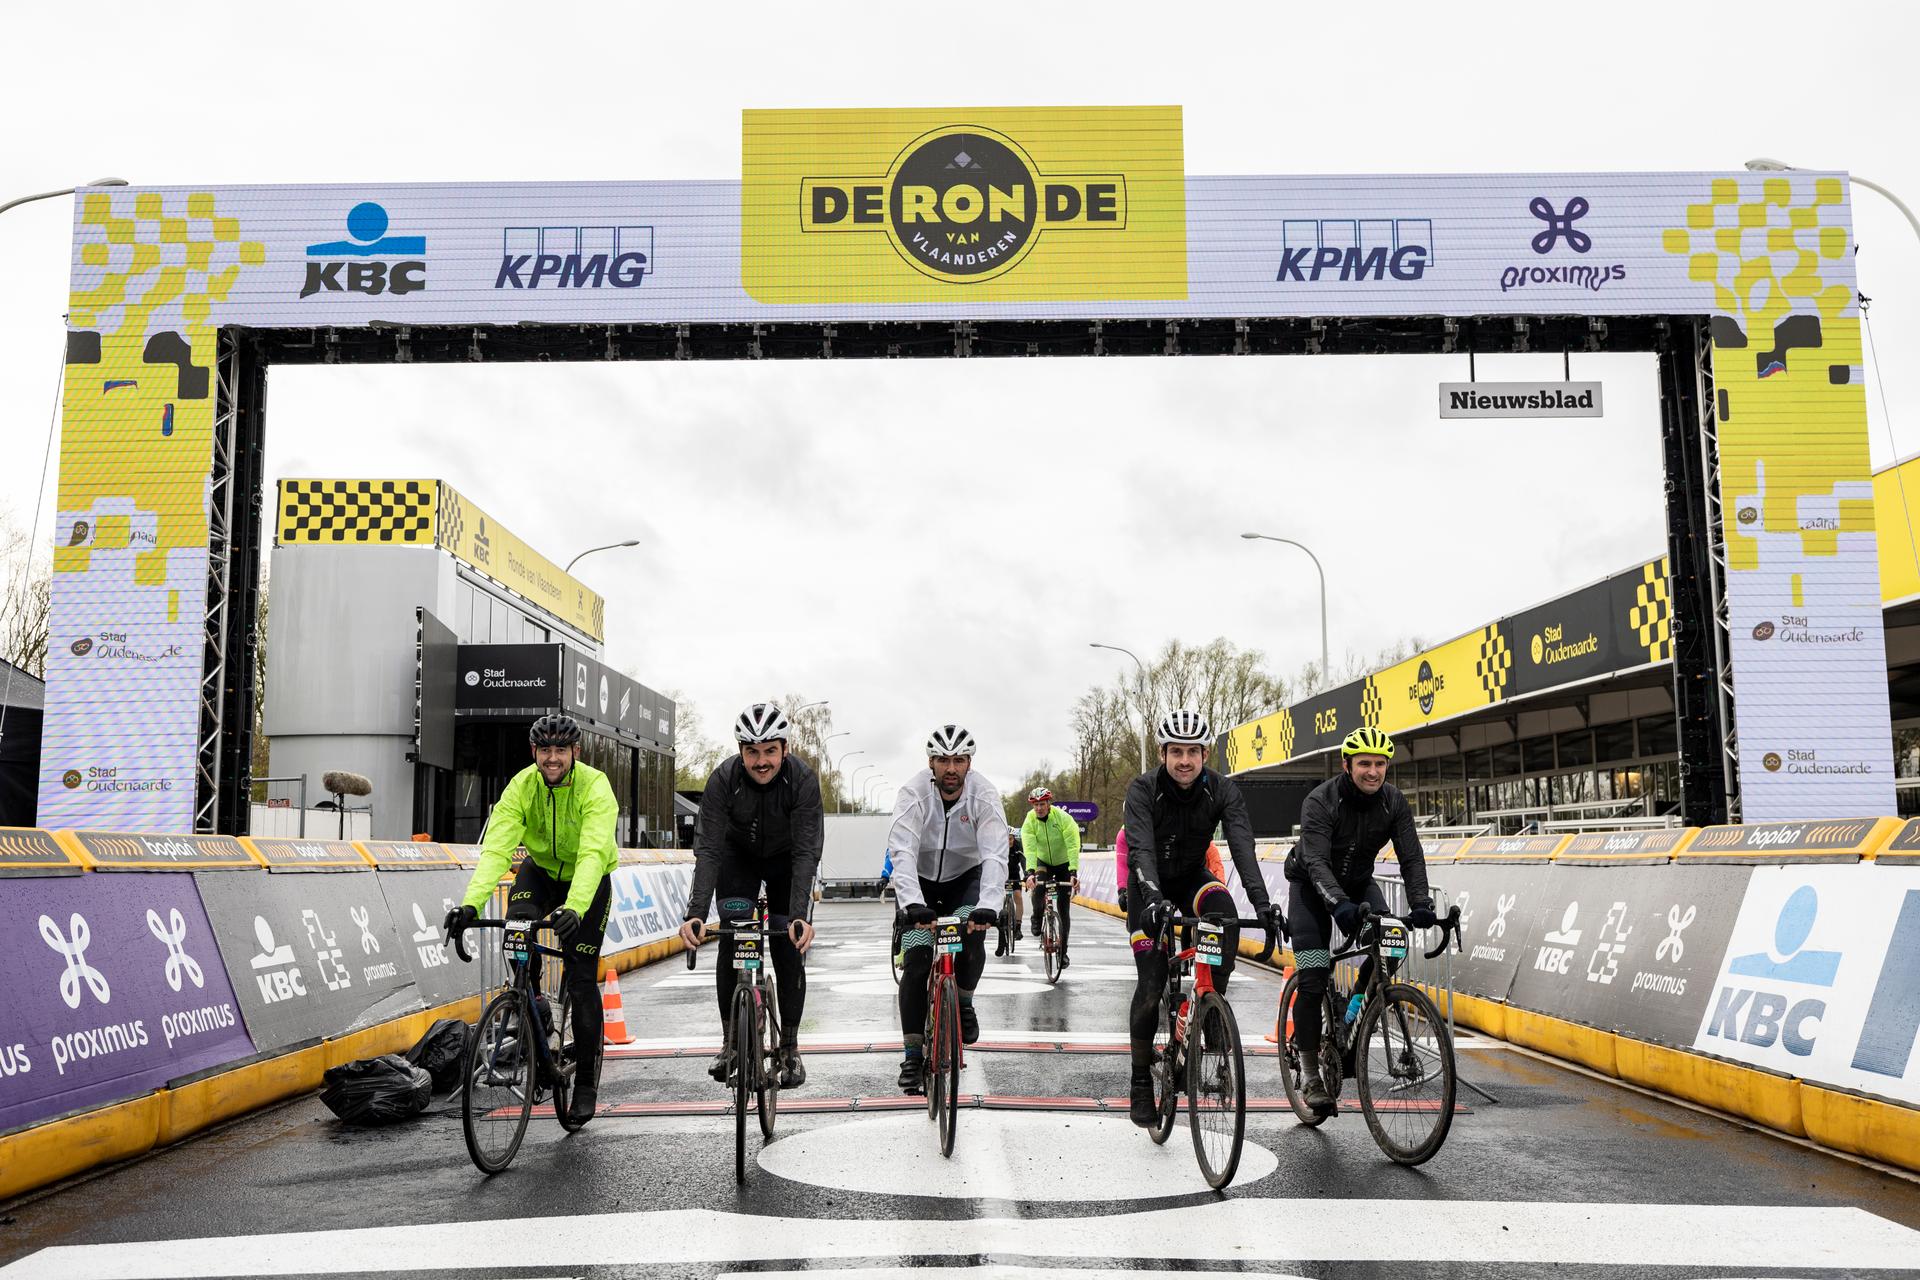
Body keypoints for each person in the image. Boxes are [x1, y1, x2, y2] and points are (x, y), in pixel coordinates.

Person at [444, 714, 618, 1125]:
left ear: (575, 752)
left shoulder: (595, 786)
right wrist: (470, 905)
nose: (552, 758)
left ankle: (587, 1082)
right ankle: (533, 1002)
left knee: (580, 976)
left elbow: (593, 853)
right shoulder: (522, 785)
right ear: (534, 753)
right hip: (540, 871)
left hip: (587, 881)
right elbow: (497, 850)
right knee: (517, 932)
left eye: (561, 750)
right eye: (545, 750)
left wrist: (574, 907)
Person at [1123, 707, 1283, 1126]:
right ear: (1162, 753)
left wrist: (1263, 905)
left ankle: (1212, 1007)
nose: (1184, 761)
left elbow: (1243, 849)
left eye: (1193, 751)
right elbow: (1140, 850)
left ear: (1206, 752)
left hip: (1192, 878)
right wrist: (1154, 898)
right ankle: (1141, 1080)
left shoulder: (1222, 790)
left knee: (1224, 912)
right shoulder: (1142, 790)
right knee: (1152, 981)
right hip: (1149, 888)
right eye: (1176, 751)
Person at [1284, 725, 1437, 1117]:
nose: (1373, 771)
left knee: (1393, 943)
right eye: (1365, 763)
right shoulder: (1321, 801)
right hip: (1310, 887)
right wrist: (1338, 905)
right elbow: (1316, 862)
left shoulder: (1392, 802)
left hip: (1357, 883)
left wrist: (1420, 902)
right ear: (1347, 764)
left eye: (1380, 764)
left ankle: (1353, 1008)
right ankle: (1310, 1071)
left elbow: (1411, 856)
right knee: (1314, 973)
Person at [678, 703, 823, 1089]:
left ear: (785, 749)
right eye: (752, 752)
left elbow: (808, 851)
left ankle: (789, 1048)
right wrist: (695, 913)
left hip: (786, 861)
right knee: (733, 932)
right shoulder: (723, 779)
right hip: (737, 858)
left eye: (770, 751)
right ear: (741, 751)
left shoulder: (803, 780)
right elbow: (708, 849)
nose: (762, 761)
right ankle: (730, 1041)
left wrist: (799, 915)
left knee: (786, 938)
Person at [886, 724, 1009, 1094]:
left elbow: (994, 853)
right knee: (918, 961)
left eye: (958, 760)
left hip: (965, 877)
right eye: (943, 761)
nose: (950, 768)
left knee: (971, 937)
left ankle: (965, 1001)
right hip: (920, 882)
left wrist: (989, 905)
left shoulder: (984, 794)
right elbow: (902, 852)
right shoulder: (912, 793)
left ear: (969, 763)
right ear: (931, 763)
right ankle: (911, 1055)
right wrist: (912, 903)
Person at [1021, 785, 1081, 967]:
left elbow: (1072, 845)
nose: (1039, 808)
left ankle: (1063, 952)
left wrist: (1073, 872)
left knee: (1064, 910)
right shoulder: (1030, 820)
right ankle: (1037, 917)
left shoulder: (1063, 818)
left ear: (1049, 803)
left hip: (1063, 863)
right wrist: (1030, 872)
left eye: (1042, 804)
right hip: (1043, 861)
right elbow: (1030, 848)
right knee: (1039, 887)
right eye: (1035, 805)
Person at [997, 831, 1027, 957]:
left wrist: (1026, 875)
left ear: (1014, 839)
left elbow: (1023, 861)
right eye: (1006, 839)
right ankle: (1002, 924)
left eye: (1011, 839)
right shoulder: (999, 846)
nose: (1009, 842)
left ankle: (1018, 926)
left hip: (1014, 875)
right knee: (999, 899)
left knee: (1018, 897)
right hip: (1001, 874)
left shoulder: (1018, 846)